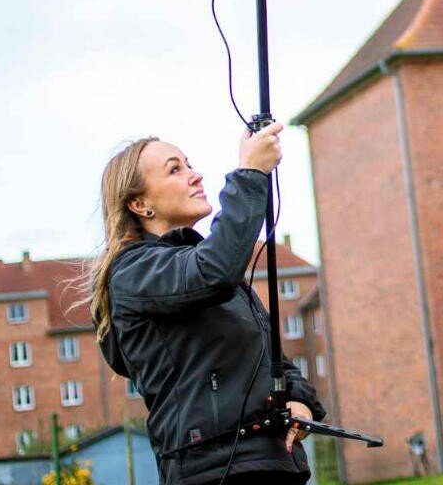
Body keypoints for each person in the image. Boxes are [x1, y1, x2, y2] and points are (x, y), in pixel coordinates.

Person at [85, 123, 323, 485]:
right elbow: (213, 271)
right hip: (213, 471)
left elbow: (271, 358)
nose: (195, 176)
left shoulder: (209, 273)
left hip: (271, 462)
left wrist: (300, 400)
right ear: (140, 204)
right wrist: (251, 174)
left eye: (189, 164)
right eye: (174, 169)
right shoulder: (134, 273)